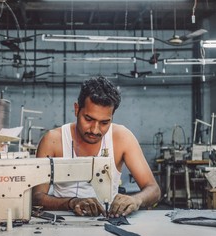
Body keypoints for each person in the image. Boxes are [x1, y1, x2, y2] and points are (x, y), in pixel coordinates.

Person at [32, 76, 161, 217]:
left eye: (104, 122)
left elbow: (153, 189)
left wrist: (136, 200)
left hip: (109, 219)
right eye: (88, 119)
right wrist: (72, 202)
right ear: (76, 109)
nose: (95, 130)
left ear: (112, 116)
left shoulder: (123, 138)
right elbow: (37, 197)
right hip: (63, 221)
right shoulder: (53, 141)